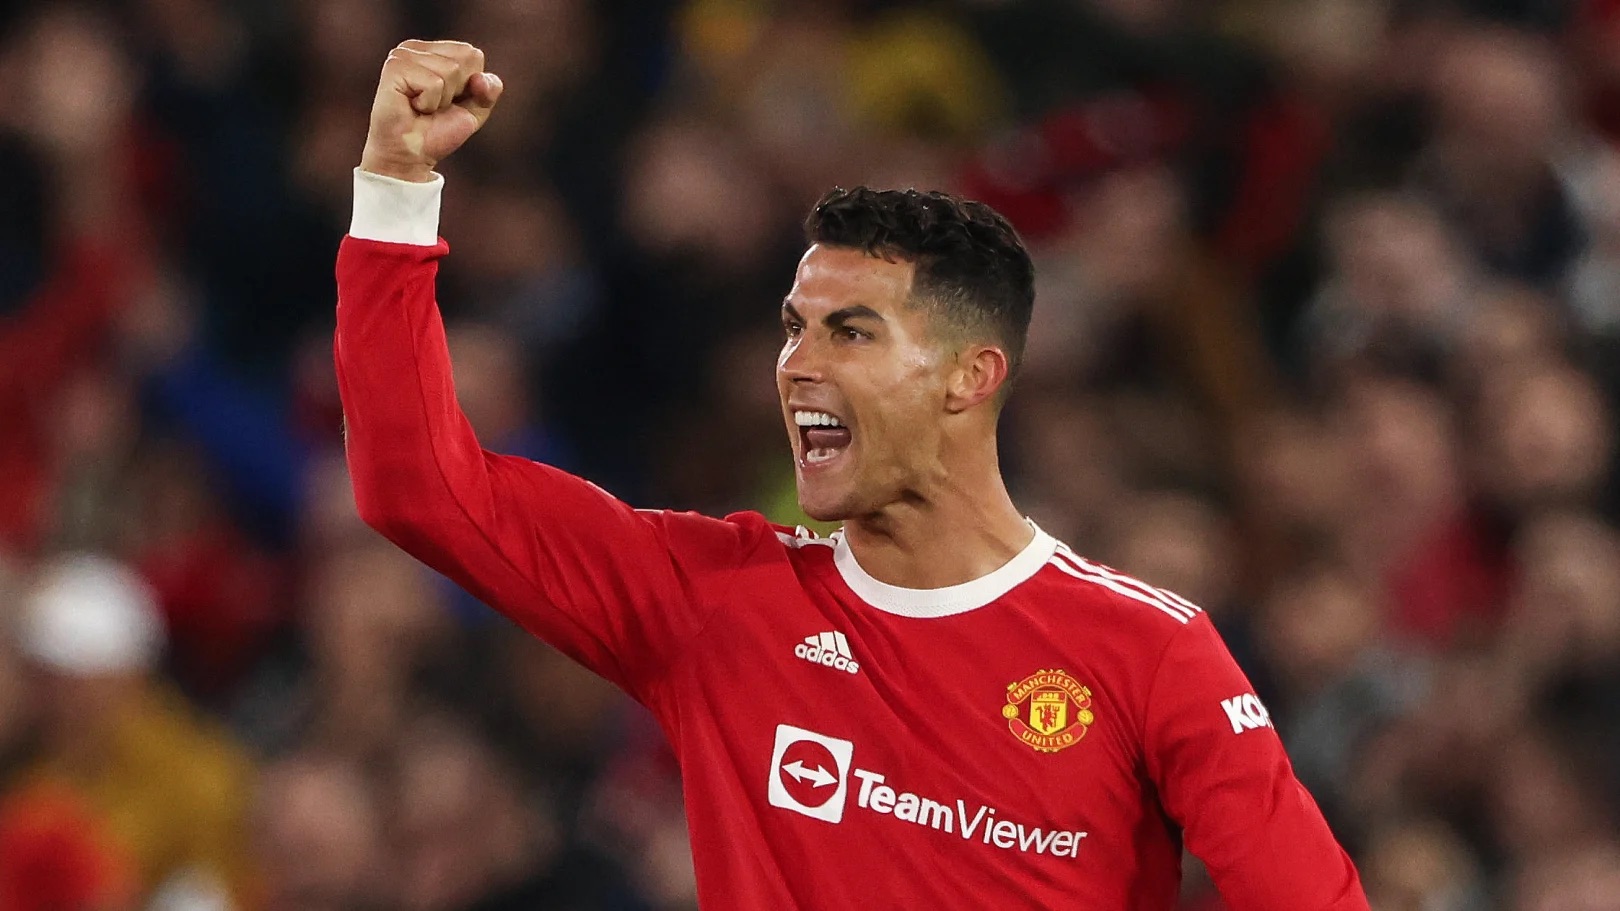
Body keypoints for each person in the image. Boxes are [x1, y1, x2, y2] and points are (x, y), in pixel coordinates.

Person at [336, 39, 1370, 910]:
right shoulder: (718, 599)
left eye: (852, 332)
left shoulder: (1149, 653)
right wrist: (394, 190)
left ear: (970, 376)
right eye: (794, 328)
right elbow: (417, 484)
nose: (797, 365)